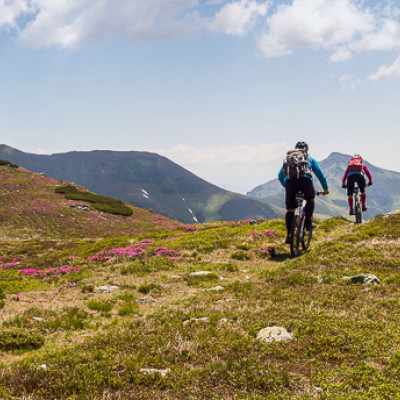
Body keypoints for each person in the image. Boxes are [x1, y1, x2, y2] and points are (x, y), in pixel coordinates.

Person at [278, 142, 329, 244]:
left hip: (290, 182)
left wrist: (287, 185)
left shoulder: (290, 158)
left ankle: (289, 234)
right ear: (307, 150)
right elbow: (320, 175)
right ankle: (308, 223)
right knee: (310, 199)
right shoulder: (309, 159)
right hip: (305, 181)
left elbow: (280, 176)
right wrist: (325, 189)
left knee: (291, 209)